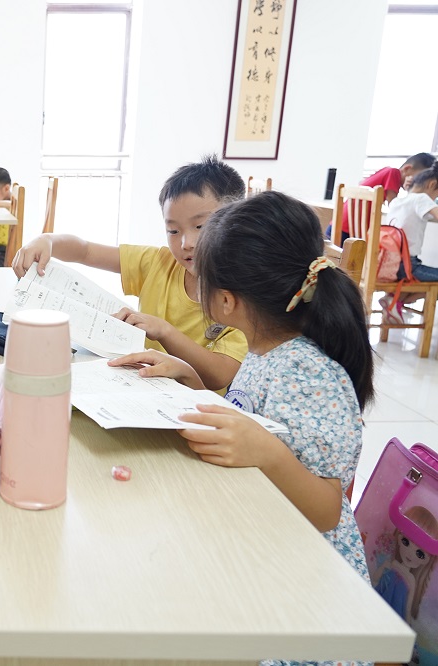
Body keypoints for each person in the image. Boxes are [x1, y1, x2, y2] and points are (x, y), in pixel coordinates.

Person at [109, 193, 374, 666]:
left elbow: (327, 510)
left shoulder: (308, 373)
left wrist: (268, 452)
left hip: (303, 589)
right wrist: (191, 382)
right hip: (261, 536)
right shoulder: (265, 346)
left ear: (226, 301)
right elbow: (249, 413)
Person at [12, 155, 248, 391]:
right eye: (173, 231)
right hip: (138, 388)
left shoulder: (245, 295)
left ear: (235, 222)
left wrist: (165, 331)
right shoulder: (159, 262)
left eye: (200, 226)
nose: (187, 243)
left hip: (194, 407)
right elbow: (85, 251)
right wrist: (48, 241)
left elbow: (219, 375)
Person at [328, 152, 436, 242]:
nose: (418, 182)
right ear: (407, 168)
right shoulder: (393, 172)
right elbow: (394, 205)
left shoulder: (385, 171)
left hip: (339, 226)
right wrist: (412, 192)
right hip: (349, 231)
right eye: (419, 178)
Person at [378, 164, 438, 324]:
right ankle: (396, 300)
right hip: (407, 267)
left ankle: (393, 299)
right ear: (432, 184)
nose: (434, 200)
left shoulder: (397, 201)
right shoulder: (422, 199)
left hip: (388, 264)